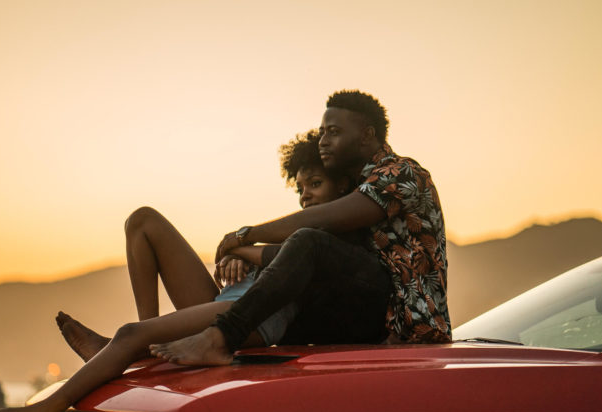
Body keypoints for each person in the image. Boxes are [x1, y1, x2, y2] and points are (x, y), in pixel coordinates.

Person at [0, 130, 359, 412]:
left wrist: (242, 250)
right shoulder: (297, 230)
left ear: (342, 188)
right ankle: (139, 345)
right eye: (300, 187)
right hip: (225, 299)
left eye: (315, 184)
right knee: (142, 221)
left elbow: (293, 259)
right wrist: (240, 258)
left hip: (249, 317)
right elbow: (270, 254)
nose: (305, 195)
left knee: (130, 333)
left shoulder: (335, 237)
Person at [150, 90, 451, 366]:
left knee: (310, 241)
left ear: (366, 135)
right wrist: (244, 254)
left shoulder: (402, 173)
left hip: (412, 326)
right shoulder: (357, 185)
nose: (323, 141)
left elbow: (318, 223)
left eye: (334, 132)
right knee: (294, 293)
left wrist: (246, 236)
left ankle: (219, 338)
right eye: (322, 132)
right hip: (367, 315)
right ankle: (169, 344)